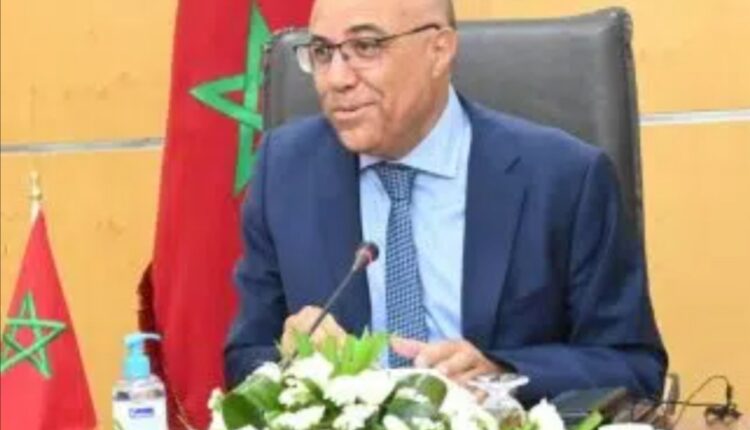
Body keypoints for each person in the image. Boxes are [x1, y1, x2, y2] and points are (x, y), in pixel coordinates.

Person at [224, 0, 667, 404]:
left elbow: (633, 367)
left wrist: (501, 374)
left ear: (439, 50)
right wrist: (291, 359)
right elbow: (245, 356)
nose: (337, 79)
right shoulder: (285, 169)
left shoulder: (564, 178)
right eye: (322, 52)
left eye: (366, 46)